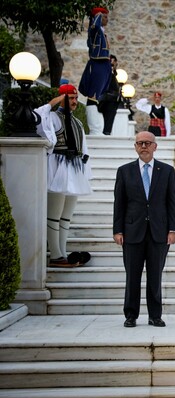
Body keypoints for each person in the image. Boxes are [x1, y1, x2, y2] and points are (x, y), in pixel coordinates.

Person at [113, 131, 175, 328]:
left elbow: (172, 202)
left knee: (155, 275)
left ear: (155, 146)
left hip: (159, 232)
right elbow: (120, 203)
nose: (144, 146)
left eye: (148, 143)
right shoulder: (124, 171)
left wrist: (173, 229)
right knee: (132, 276)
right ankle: (131, 315)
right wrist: (118, 230)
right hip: (132, 232)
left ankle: (155, 315)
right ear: (135, 146)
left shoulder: (166, 171)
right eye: (140, 143)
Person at [35, 84, 93, 267]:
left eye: (75, 98)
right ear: (61, 100)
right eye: (70, 98)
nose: (74, 102)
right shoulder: (52, 117)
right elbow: (36, 116)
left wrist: (85, 174)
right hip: (58, 169)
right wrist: (54, 102)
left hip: (74, 170)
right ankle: (55, 255)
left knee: (66, 215)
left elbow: (84, 150)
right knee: (54, 214)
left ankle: (62, 253)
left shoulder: (78, 122)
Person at [78, 6, 112, 136]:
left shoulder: (102, 32)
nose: (107, 19)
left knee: (98, 96)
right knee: (93, 96)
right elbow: (95, 26)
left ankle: (98, 129)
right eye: (104, 16)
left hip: (103, 64)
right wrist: (97, 15)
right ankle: (95, 129)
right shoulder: (95, 30)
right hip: (97, 63)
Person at [98, 54, 120, 136]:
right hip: (107, 99)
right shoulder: (105, 72)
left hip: (112, 100)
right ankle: (106, 133)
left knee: (109, 120)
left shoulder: (113, 74)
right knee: (107, 120)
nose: (113, 65)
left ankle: (107, 132)